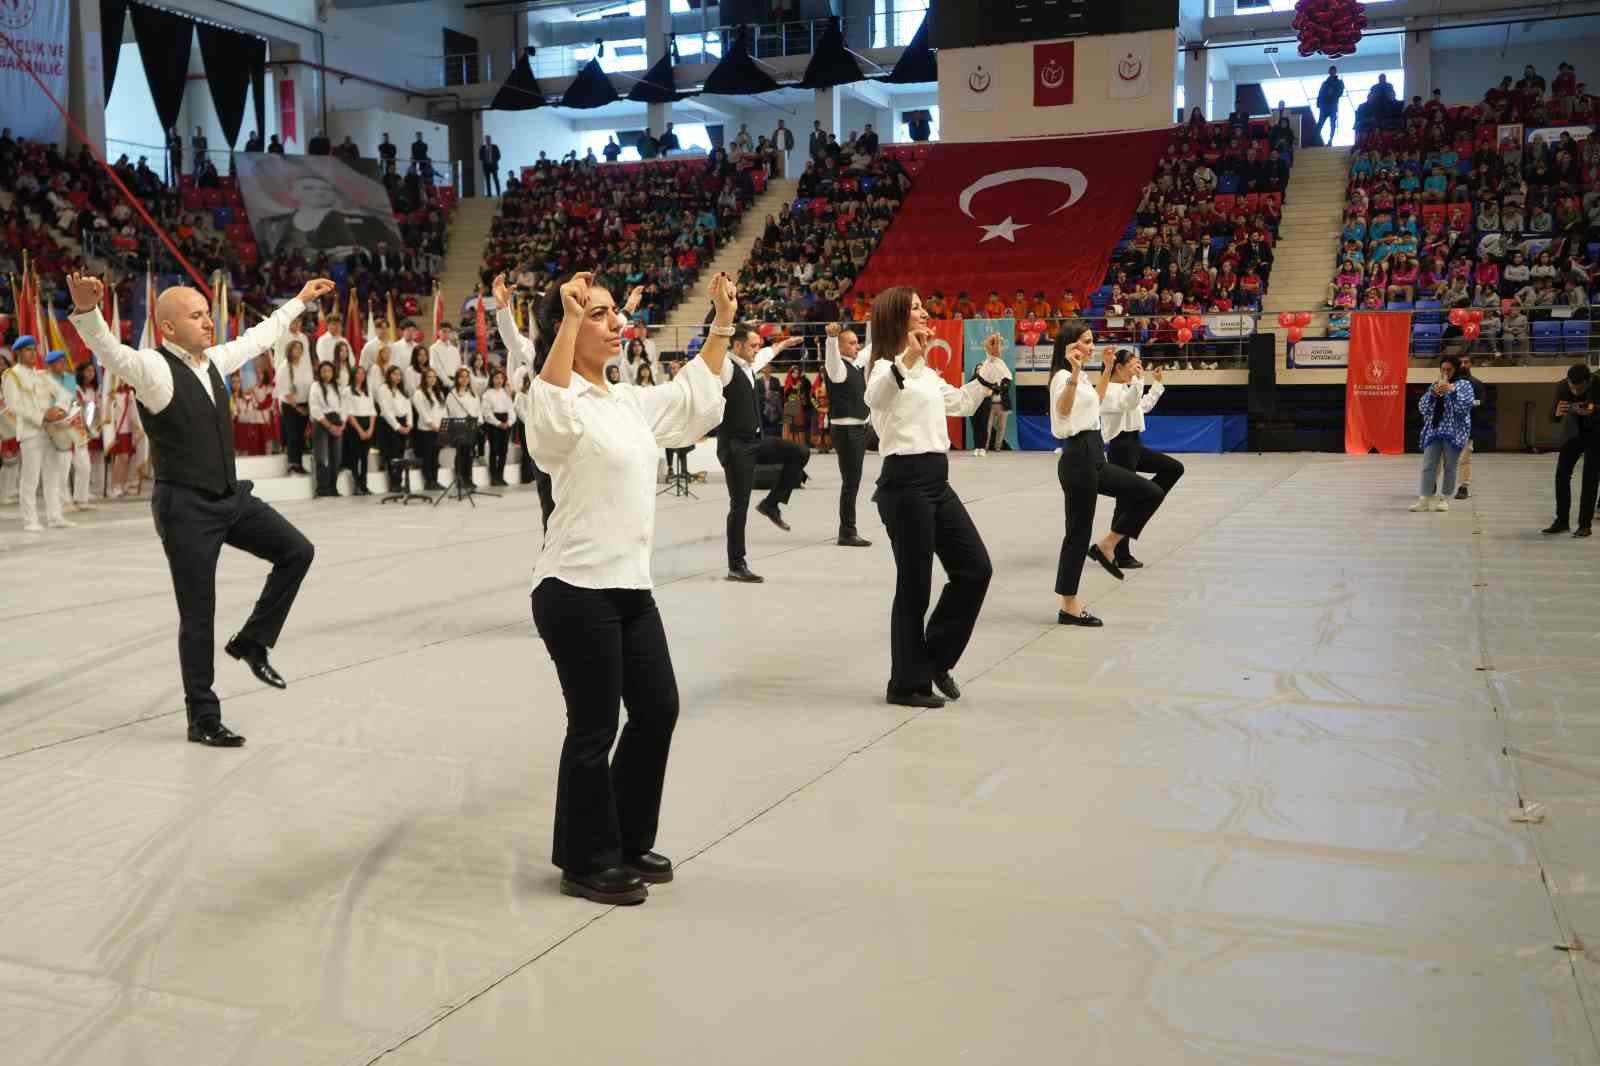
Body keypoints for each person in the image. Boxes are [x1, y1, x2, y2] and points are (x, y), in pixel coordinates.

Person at [524, 269, 733, 905]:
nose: (617, 324)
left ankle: (626, 838)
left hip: (628, 587)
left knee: (658, 709)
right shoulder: (556, 399)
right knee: (593, 727)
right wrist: (565, 316)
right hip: (574, 586)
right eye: (599, 315)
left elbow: (694, 395)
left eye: (616, 313)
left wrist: (721, 319)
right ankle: (584, 860)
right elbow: (550, 425)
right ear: (566, 326)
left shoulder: (626, 401)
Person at [66, 271, 332, 747]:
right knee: (198, 616)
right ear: (168, 328)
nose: (208, 323)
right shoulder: (152, 369)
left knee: (297, 552)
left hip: (230, 497)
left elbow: (257, 338)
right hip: (184, 506)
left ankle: (252, 641)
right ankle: (202, 717)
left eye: (208, 314)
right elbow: (111, 354)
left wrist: (298, 301)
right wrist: (88, 314)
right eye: (196, 316)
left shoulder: (214, 360)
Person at [864, 288, 993, 708]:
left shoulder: (927, 374)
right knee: (915, 586)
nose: (924, 312)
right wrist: (909, 360)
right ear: (896, 318)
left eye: (923, 306)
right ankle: (904, 684)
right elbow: (876, 398)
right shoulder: (884, 367)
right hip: (904, 483)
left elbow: (961, 404)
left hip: (938, 479)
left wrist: (989, 366)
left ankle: (934, 659)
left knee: (975, 569)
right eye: (915, 307)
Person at [1050, 330, 1165, 628]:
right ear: (1069, 346)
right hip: (1077, 458)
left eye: (1091, 341)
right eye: (1085, 341)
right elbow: (1062, 412)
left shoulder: (1084, 378)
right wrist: (1075, 373)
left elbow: (1097, 401)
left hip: (1094, 455)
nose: (1091, 346)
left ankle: (1108, 544)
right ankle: (1069, 605)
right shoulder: (1063, 377)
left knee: (1150, 492)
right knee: (1077, 533)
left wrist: (1104, 367)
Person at [716, 327, 811, 583]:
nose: (756, 349)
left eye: (758, 345)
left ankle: (771, 503)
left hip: (754, 442)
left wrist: (782, 345)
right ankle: (736, 564)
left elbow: (764, 355)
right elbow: (715, 349)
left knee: (799, 452)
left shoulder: (748, 364)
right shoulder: (726, 367)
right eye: (752, 345)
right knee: (739, 506)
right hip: (735, 447)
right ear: (736, 347)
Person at [1101, 355, 1182, 569]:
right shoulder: (1107, 390)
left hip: (1136, 444)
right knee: (1124, 501)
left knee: (1174, 469)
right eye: (1133, 365)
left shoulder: (1130, 387)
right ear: (1118, 367)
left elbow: (1142, 406)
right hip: (1120, 447)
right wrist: (1139, 381)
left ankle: (1145, 498)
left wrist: (1156, 384)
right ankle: (1120, 553)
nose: (1137, 368)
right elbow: (1129, 403)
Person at [493, 273, 556, 527]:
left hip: (575, 437)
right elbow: (512, 340)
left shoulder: (577, 348)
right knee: (549, 507)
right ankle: (550, 558)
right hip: (544, 438)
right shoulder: (534, 351)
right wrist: (503, 307)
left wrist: (627, 309)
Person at [1, 335, 76, 532]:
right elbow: (13, 406)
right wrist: (43, 416)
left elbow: (64, 394)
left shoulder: (42, 375)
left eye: (34, 349)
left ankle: (55, 516)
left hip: (51, 430)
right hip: (30, 431)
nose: (33, 353)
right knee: (30, 478)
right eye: (28, 350)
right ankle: (30, 520)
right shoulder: (12, 375)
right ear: (18, 353)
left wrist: (58, 410)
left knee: (52, 475)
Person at [823, 322, 871, 547]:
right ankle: (847, 531)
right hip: (847, 431)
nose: (857, 346)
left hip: (860, 428)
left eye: (857, 342)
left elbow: (870, 349)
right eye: (852, 343)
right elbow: (831, 360)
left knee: (853, 481)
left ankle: (848, 529)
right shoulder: (837, 368)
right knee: (850, 483)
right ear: (841, 346)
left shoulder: (854, 364)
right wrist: (831, 339)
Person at [1410, 354, 1474, 512]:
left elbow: (1464, 408)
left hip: (1453, 432)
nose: (1445, 372)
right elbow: (1422, 408)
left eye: (1449, 369)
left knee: (1450, 466)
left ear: (1456, 369)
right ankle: (1424, 500)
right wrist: (1432, 395)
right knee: (1427, 465)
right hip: (1434, 430)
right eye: (1443, 369)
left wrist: (1452, 393)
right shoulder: (1435, 384)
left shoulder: (1465, 385)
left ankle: (1445, 499)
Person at [1543, 363, 1599, 538]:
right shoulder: (1562, 386)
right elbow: (1553, 415)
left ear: (1588, 381)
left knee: (1590, 478)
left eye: (1579, 388)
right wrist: (1557, 413)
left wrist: (1595, 409)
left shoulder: (1598, 384)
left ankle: (1585, 524)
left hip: (1596, 434)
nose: (1574, 391)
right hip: (1573, 434)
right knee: (1561, 475)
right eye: (1571, 387)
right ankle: (1562, 520)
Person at [274, 338, 312, 475]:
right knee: (293, 435)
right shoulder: (284, 367)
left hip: (304, 403)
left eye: (300, 348)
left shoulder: (304, 366)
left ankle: (299, 463)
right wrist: (297, 407)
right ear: (290, 351)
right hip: (290, 406)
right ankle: (292, 464)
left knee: (301, 436)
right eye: (296, 348)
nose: (299, 351)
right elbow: (284, 391)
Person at [969, 333, 1012, 456]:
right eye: (978, 369)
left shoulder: (999, 371)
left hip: (995, 404)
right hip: (976, 404)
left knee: (997, 427)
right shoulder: (976, 380)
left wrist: (992, 356)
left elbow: (1006, 381)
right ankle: (981, 446)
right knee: (982, 427)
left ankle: (991, 447)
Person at [309, 359, 346, 497]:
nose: (326, 374)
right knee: (322, 457)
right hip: (322, 422)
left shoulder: (338, 387)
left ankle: (333, 488)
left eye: (329, 371)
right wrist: (329, 426)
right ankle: (322, 489)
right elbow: (315, 409)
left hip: (337, 421)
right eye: (324, 371)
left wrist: (342, 424)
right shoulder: (316, 386)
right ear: (320, 372)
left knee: (336, 458)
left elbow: (344, 407)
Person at [375, 364, 413, 489]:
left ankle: (399, 481)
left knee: (400, 454)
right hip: (389, 425)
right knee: (391, 454)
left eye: (399, 374)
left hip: (403, 423)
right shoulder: (383, 389)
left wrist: (409, 424)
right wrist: (398, 427)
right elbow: (386, 411)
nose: (397, 377)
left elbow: (408, 408)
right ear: (388, 375)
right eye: (394, 374)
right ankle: (394, 483)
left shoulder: (402, 390)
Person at [343, 365, 376, 496]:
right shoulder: (347, 391)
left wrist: (371, 428)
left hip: (367, 423)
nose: (361, 376)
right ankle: (356, 484)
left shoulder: (367, 391)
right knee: (355, 456)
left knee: (365, 457)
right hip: (354, 426)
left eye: (363, 373)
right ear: (353, 375)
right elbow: (348, 413)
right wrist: (360, 430)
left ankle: (364, 484)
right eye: (358, 373)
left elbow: (372, 411)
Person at [411, 367, 446, 490]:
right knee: (427, 456)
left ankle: (435, 480)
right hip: (426, 431)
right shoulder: (418, 393)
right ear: (424, 379)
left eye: (434, 377)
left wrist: (443, 426)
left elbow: (443, 412)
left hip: (438, 430)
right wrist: (433, 426)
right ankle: (429, 481)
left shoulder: (439, 393)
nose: (432, 379)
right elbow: (423, 413)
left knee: (436, 457)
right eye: (429, 377)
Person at [1455, 352, 1484, 500]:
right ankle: (1432, 484)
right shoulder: (1451, 382)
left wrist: (1464, 405)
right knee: (1440, 458)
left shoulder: (1477, 383)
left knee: (1464, 459)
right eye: (1461, 362)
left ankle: (1463, 487)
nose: (1463, 365)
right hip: (1449, 426)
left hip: (1467, 427)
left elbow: (1480, 403)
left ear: (1471, 364)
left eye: (1466, 362)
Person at [480, 367, 514, 487]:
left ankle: (501, 476)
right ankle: (494, 477)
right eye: (496, 378)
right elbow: (486, 412)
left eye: (501, 378)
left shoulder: (505, 393)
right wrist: (498, 423)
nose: (499, 380)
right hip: (494, 424)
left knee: (503, 451)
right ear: (492, 380)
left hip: (506, 423)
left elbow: (511, 409)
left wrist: (509, 422)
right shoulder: (487, 394)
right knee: (494, 451)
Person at [1316, 65, 1344, 143]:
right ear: (1329, 72)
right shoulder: (1325, 83)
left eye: (1333, 71)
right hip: (1324, 106)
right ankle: (1316, 140)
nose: (1332, 72)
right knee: (1320, 124)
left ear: (1335, 72)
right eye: (1331, 71)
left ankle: (1330, 140)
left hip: (1332, 106)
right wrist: (1319, 103)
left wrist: (1333, 93)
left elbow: (1340, 93)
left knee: (1332, 124)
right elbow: (1320, 93)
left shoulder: (1339, 82)